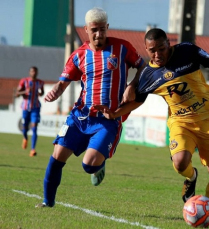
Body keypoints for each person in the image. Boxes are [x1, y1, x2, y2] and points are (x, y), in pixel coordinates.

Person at [94, 28, 209, 204]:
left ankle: (207, 208)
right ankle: (191, 176)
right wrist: (114, 114)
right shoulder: (148, 75)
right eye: (152, 50)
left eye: (161, 48)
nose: (157, 54)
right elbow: (138, 101)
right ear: (146, 49)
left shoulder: (187, 51)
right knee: (180, 162)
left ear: (168, 44)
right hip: (181, 123)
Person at [35, 7, 145, 208]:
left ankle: (98, 165)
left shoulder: (122, 48)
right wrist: (55, 91)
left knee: (88, 166)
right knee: (57, 154)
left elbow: (143, 66)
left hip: (108, 119)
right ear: (86, 29)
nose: (99, 34)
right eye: (94, 30)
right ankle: (47, 202)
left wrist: (132, 85)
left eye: (102, 29)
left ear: (107, 27)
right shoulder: (78, 55)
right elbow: (63, 82)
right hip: (80, 116)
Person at [16, 66, 44, 157]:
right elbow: (17, 94)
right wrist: (25, 91)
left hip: (35, 107)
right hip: (25, 108)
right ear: (29, 72)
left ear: (37, 72)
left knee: (35, 128)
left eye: (35, 71)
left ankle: (32, 149)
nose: (34, 73)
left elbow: (42, 92)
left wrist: (41, 93)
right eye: (32, 71)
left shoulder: (40, 82)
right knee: (25, 127)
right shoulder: (24, 81)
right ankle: (25, 138)